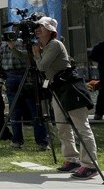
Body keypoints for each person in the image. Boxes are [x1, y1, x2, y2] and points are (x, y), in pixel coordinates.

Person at [32, 17, 99, 179]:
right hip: (58, 88)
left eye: (42, 26)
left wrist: (36, 54)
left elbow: (41, 66)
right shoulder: (43, 46)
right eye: (38, 26)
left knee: (81, 127)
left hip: (71, 87)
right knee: (62, 125)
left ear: (50, 30)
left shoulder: (55, 45)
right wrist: (14, 48)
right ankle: (72, 159)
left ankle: (90, 165)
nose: (38, 29)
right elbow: (33, 61)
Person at [0, 34, 48, 150]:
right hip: (27, 75)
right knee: (35, 109)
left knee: (15, 110)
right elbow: (32, 58)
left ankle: (16, 140)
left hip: (11, 76)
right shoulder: (27, 43)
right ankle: (42, 141)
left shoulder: (2, 44)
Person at [88, 40, 104, 120]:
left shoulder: (100, 45)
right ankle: (99, 113)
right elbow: (92, 56)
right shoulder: (100, 46)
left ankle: (99, 113)